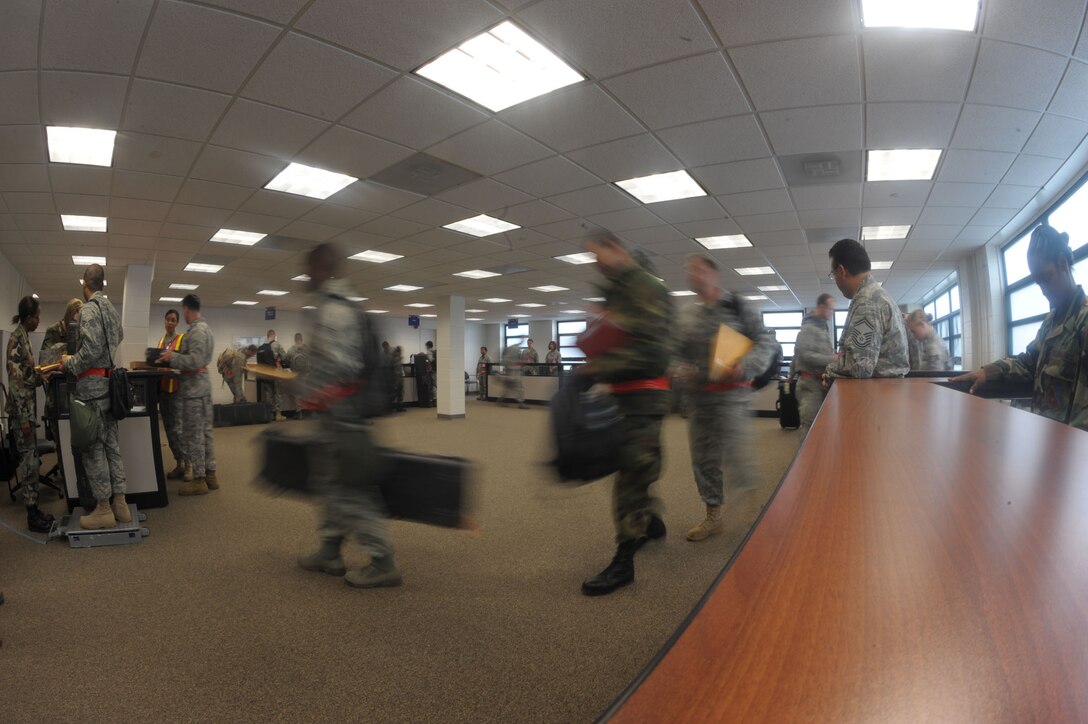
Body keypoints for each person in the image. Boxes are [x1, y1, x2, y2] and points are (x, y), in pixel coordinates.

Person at [296, 242, 401, 588]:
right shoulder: (332, 305)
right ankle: (329, 550)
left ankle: (383, 561)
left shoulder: (335, 311)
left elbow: (342, 367)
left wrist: (310, 390)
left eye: (311, 269)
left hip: (342, 416)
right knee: (329, 484)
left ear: (324, 269)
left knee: (350, 489)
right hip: (333, 415)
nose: (306, 275)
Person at [580, 232, 673, 596]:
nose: (595, 262)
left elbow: (653, 355)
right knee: (632, 467)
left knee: (629, 479)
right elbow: (622, 334)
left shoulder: (647, 287)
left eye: (597, 254)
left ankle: (623, 562)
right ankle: (649, 521)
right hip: (623, 399)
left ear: (616, 249)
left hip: (645, 399)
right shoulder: (616, 289)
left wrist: (598, 366)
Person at [673, 255, 780, 542]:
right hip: (698, 400)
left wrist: (746, 365)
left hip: (732, 397)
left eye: (698, 269)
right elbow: (675, 352)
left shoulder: (737, 305)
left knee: (738, 457)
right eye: (689, 269)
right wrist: (679, 369)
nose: (692, 274)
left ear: (713, 273)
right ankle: (713, 516)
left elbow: (766, 341)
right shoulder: (687, 315)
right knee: (703, 461)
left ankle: (753, 513)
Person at [951, 224, 1088, 429]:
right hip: (1049, 443)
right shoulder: (1051, 322)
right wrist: (988, 372)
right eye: (1037, 282)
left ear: (1062, 264)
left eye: (1046, 278)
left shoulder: (1083, 320)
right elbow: (1028, 362)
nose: (1043, 289)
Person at [59, 265, 129, 529]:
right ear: (103, 283)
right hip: (109, 385)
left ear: (84, 284)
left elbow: (90, 349)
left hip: (92, 389)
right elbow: (118, 336)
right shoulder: (110, 308)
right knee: (111, 444)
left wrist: (69, 363)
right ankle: (120, 504)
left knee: (94, 447)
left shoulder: (89, 308)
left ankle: (103, 509)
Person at [824, 238, 910, 382]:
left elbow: (859, 368)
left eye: (833, 274)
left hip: (878, 396)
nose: (835, 279)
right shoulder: (877, 294)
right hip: (888, 391)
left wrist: (829, 371)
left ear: (842, 271)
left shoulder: (867, 302)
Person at [158, 294, 217, 495]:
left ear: (186, 309)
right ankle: (211, 474)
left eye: (182, 311)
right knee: (206, 433)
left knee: (194, 434)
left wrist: (172, 357)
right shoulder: (204, 329)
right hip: (202, 388)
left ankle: (199, 479)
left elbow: (195, 360)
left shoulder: (198, 331)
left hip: (194, 390)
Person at [6, 296, 53, 533]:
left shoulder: (24, 338)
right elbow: (15, 385)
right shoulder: (15, 341)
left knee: (32, 461)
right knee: (28, 464)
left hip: (27, 413)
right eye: (37, 316)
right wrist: (24, 419)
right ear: (27, 317)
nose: (38, 320)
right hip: (22, 415)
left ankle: (35, 508)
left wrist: (40, 376)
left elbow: (25, 377)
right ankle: (31, 514)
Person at [790, 293, 837, 427]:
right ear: (822, 307)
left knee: (820, 425)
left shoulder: (821, 327)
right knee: (809, 425)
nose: (832, 313)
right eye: (831, 309)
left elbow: (798, 353)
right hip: (810, 384)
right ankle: (806, 449)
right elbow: (805, 355)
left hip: (819, 382)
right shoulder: (808, 328)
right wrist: (834, 359)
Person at [157, 309, 187, 480]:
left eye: (173, 320)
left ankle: (189, 464)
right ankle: (179, 463)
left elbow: (186, 364)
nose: (170, 322)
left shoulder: (182, 340)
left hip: (177, 390)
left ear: (177, 323)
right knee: (169, 429)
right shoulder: (161, 341)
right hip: (163, 390)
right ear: (164, 321)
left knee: (179, 429)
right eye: (168, 319)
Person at [258, 329, 287, 418]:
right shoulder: (277, 345)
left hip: (267, 372)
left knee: (268, 393)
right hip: (277, 371)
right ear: (274, 335)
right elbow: (284, 357)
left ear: (267, 336)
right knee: (278, 393)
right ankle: (278, 414)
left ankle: (269, 414)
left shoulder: (262, 347)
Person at [498, 342, 527, 408]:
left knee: (509, 388)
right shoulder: (507, 356)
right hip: (512, 374)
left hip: (515, 373)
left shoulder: (513, 355)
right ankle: (521, 403)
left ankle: (501, 400)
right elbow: (506, 363)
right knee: (519, 388)